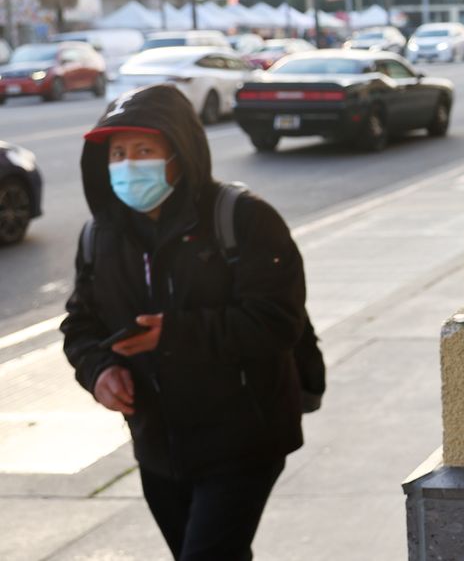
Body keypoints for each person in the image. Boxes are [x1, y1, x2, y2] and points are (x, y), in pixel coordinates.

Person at [61, 84, 307, 560]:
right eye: (118, 154)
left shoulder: (243, 218)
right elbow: (81, 324)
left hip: (243, 439)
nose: (128, 165)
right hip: (156, 443)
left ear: (181, 154)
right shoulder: (100, 236)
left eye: (144, 151)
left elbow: (277, 321)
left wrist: (174, 334)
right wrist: (99, 371)